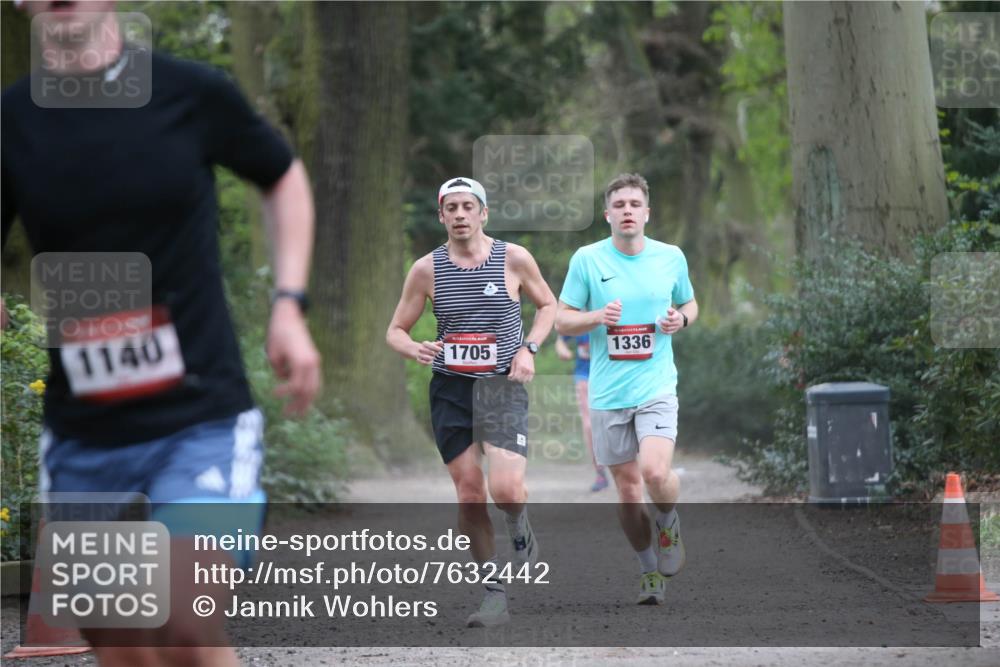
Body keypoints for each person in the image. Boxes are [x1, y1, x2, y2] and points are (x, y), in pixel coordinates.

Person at [2, 2, 321, 665]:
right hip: (84, 435)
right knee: (120, 639)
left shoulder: (190, 92)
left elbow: (282, 174)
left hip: (200, 417)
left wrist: (289, 303)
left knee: (181, 620)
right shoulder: (12, 121)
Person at [386, 177, 556, 628]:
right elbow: (395, 331)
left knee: (505, 490)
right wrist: (415, 348)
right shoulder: (426, 270)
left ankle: (519, 525)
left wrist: (529, 349)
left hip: (500, 385)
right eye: (451, 208)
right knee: (468, 495)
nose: (460, 215)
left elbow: (548, 306)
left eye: (468, 207)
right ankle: (493, 595)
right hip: (451, 390)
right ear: (441, 216)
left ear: (484, 214)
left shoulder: (514, 258)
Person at [554, 173, 698, 605]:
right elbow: (562, 319)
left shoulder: (670, 257)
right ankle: (648, 570)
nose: (628, 211)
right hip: (608, 394)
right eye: (619, 205)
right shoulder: (587, 260)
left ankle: (669, 522)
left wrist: (682, 320)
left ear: (647, 212)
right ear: (607, 214)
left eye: (635, 204)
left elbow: (690, 302)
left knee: (655, 473)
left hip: (656, 385)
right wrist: (598, 317)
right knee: (629, 491)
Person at [554, 333, 608, 492]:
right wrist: (561, 348)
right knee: (589, 426)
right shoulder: (578, 314)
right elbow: (560, 338)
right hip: (584, 376)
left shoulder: (613, 311)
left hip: (611, 376)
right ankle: (600, 472)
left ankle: (633, 464)